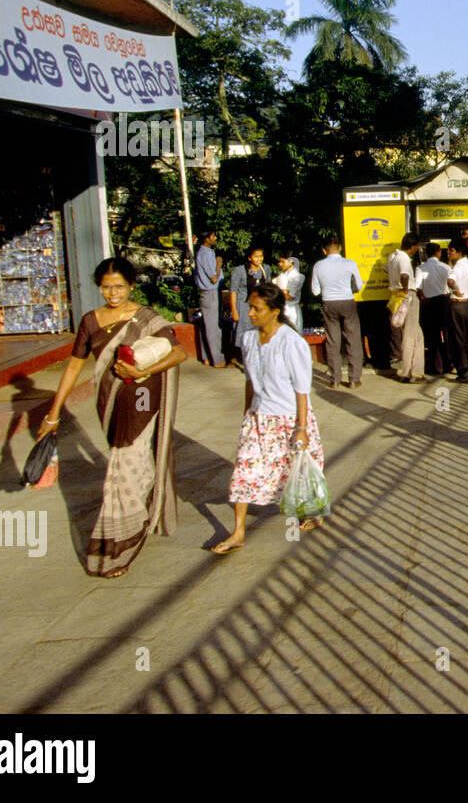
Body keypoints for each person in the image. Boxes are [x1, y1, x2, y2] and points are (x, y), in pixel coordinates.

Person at [37, 257, 187, 577]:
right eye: (107, 287)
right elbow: (75, 366)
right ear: (99, 287)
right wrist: (53, 414)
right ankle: (145, 505)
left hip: (143, 398)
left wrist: (142, 369)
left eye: (119, 286)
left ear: (131, 285)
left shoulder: (145, 318)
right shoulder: (91, 321)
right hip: (109, 402)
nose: (113, 292)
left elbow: (178, 353)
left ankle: (120, 543)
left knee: (121, 470)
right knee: (133, 465)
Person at [212, 283, 325, 555]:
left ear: (274, 312)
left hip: (289, 417)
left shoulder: (292, 342)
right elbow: (250, 381)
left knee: (295, 471)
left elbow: (301, 388)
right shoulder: (249, 339)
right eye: (249, 306)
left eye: (256, 308)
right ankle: (238, 532)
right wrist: (246, 414)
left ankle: (308, 509)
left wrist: (301, 427)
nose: (250, 313)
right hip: (258, 416)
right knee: (243, 470)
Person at [311, 235, 364, 388]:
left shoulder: (318, 266)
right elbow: (358, 286)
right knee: (353, 339)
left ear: (323, 250)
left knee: (333, 341)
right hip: (347, 301)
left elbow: (315, 291)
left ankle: (335, 379)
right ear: (340, 247)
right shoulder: (349, 263)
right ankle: (354, 379)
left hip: (328, 303)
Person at [387, 233, 422, 380]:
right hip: (408, 296)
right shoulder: (404, 259)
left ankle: (416, 368)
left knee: (416, 334)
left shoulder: (392, 257)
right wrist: (406, 289)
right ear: (413, 246)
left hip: (396, 295)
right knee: (410, 334)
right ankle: (409, 371)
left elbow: (386, 269)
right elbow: (405, 275)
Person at [445, 238, 468, 383]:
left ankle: (463, 372)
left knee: (458, 339)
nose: (448, 253)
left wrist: (455, 289)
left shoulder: (458, 267)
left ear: (458, 252)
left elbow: (450, 280)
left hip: (457, 304)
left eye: (451, 250)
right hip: (467, 305)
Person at [229, 246, 269, 362]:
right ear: (249, 258)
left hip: (259, 307)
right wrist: (234, 311)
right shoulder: (239, 271)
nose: (259, 259)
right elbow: (233, 291)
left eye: (261, 256)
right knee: (245, 333)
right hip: (244, 306)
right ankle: (246, 359)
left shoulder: (265, 269)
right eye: (256, 256)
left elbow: (268, 288)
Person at [417, 242, 452, 376]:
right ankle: (449, 363)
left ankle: (435, 366)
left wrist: (423, 298)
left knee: (432, 336)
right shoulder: (445, 267)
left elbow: (418, 287)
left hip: (429, 303)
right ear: (439, 252)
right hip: (444, 300)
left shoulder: (421, 268)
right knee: (447, 333)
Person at [194, 230, 226, 368]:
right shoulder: (205, 253)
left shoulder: (204, 252)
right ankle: (218, 360)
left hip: (208, 292)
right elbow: (213, 278)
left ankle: (207, 357)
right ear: (206, 239)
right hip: (211, 292)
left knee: (208, 324)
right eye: (213, 236)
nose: (215, 238)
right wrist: (219, 264)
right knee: (214, 327)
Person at [273, 255, 305, 332]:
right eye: (279, 261)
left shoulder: (298, 277)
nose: (280, 264)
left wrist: (278, 292)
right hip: (281, 308)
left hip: (291, 310)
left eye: (283, 262)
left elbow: (290, 297)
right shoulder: (282, 276)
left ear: (291, 262)